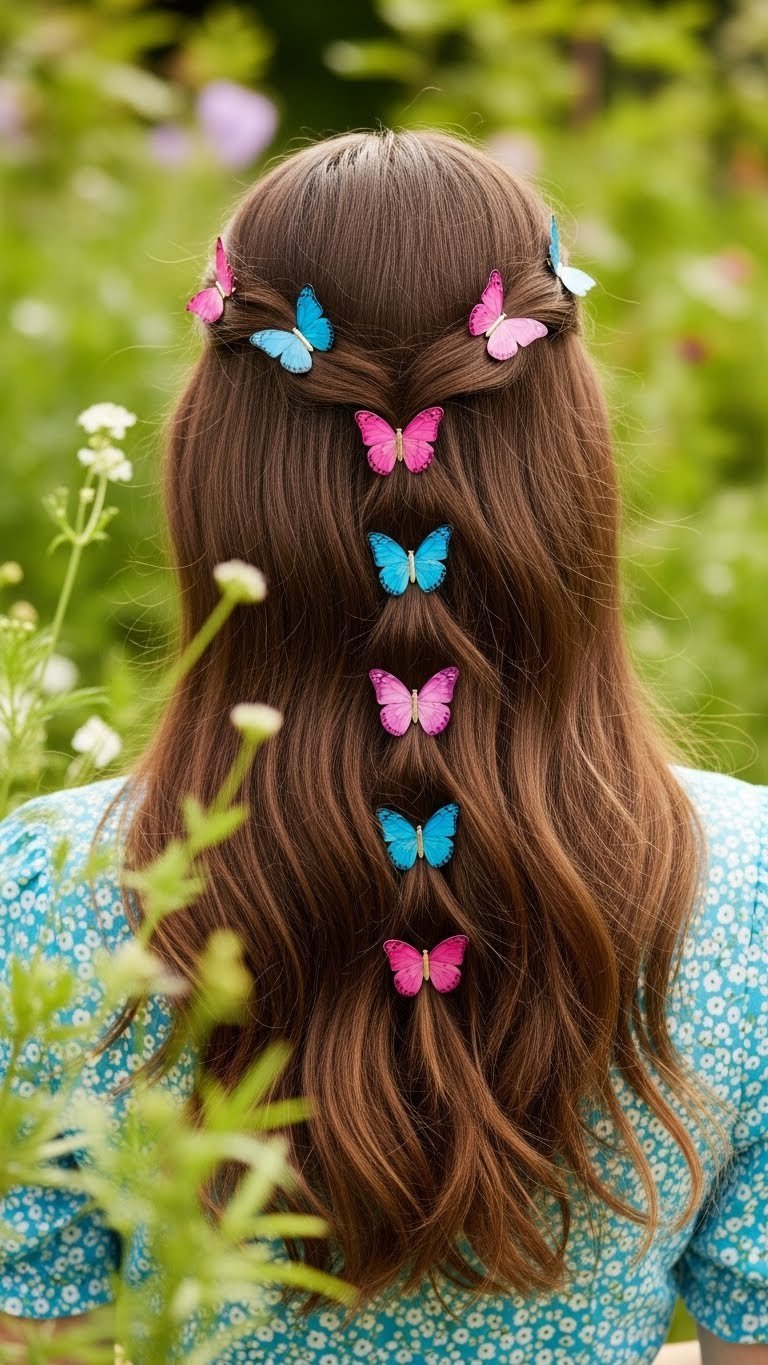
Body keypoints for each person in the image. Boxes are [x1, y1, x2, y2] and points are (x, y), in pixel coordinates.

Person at [1, 130, 766, 1365]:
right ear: (573, 471)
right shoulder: (745, 887)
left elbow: (46, 1343)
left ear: (210, 469)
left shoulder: (55, 894)